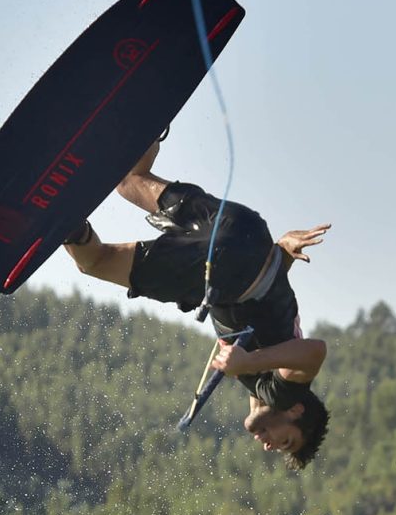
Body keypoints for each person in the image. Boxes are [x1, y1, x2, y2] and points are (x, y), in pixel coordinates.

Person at [60, 139, 332, 468]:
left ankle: (148, 117)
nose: (269, 446)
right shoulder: (282, 394)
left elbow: (273, 304)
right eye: (285, 440)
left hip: (246, 230)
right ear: (296, 411)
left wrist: (283, 250)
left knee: (130, 181)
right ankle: (62, 214)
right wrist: (245, 363)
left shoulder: (267, 372)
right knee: (97, 262)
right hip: (226, 270)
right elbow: (315, 352)